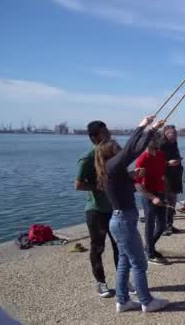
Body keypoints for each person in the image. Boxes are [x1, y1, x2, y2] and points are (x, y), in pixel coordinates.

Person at [95, 115, 168, 313]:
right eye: (115, 147)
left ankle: (123, 301)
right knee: (139, 263)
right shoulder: (112, 165)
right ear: (110, 153)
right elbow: (131, 149)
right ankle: (146, 301)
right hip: (123, 221)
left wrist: (132, 177)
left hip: (119, 221)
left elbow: (131, 151)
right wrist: (146, 127)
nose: (119, 149)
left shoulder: (112, 170)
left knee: (125, 262)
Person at [75, 120, 120, 298]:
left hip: (114, 209)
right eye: (103, 132)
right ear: (94, 137)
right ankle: (100, 282)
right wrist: (99, 186)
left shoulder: (112, 155)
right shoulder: (88, 158)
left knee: (120, 247)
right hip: (97, 211)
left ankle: (123, 279)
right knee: (98, 247)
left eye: (107, 129)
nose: (107, 133)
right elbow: (78, 185)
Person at [134, 138, 169, 265]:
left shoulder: (160, 154)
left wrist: (166, 188)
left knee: (162, 224)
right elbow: (137, 185)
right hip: (149, 196)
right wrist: (152, 197)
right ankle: (150, 253)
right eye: (155, 139)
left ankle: (149, 247)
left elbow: (162, 170)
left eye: (158, 139)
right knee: (150, 225)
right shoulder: (142, 159)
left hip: (161, 193)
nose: (158, 141)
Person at [160, 125, 184, 235]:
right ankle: (163, 226)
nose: (174, 135)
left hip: (175, 178)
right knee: (166, 203)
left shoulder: (174, 145)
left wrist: (178, 160)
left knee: (172, 203)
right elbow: (155, 163)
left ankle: (169, 224)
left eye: (175, 133)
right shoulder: (161, 145)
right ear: (165, 133)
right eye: (171, 133)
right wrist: (167, 163)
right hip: (165, 179)